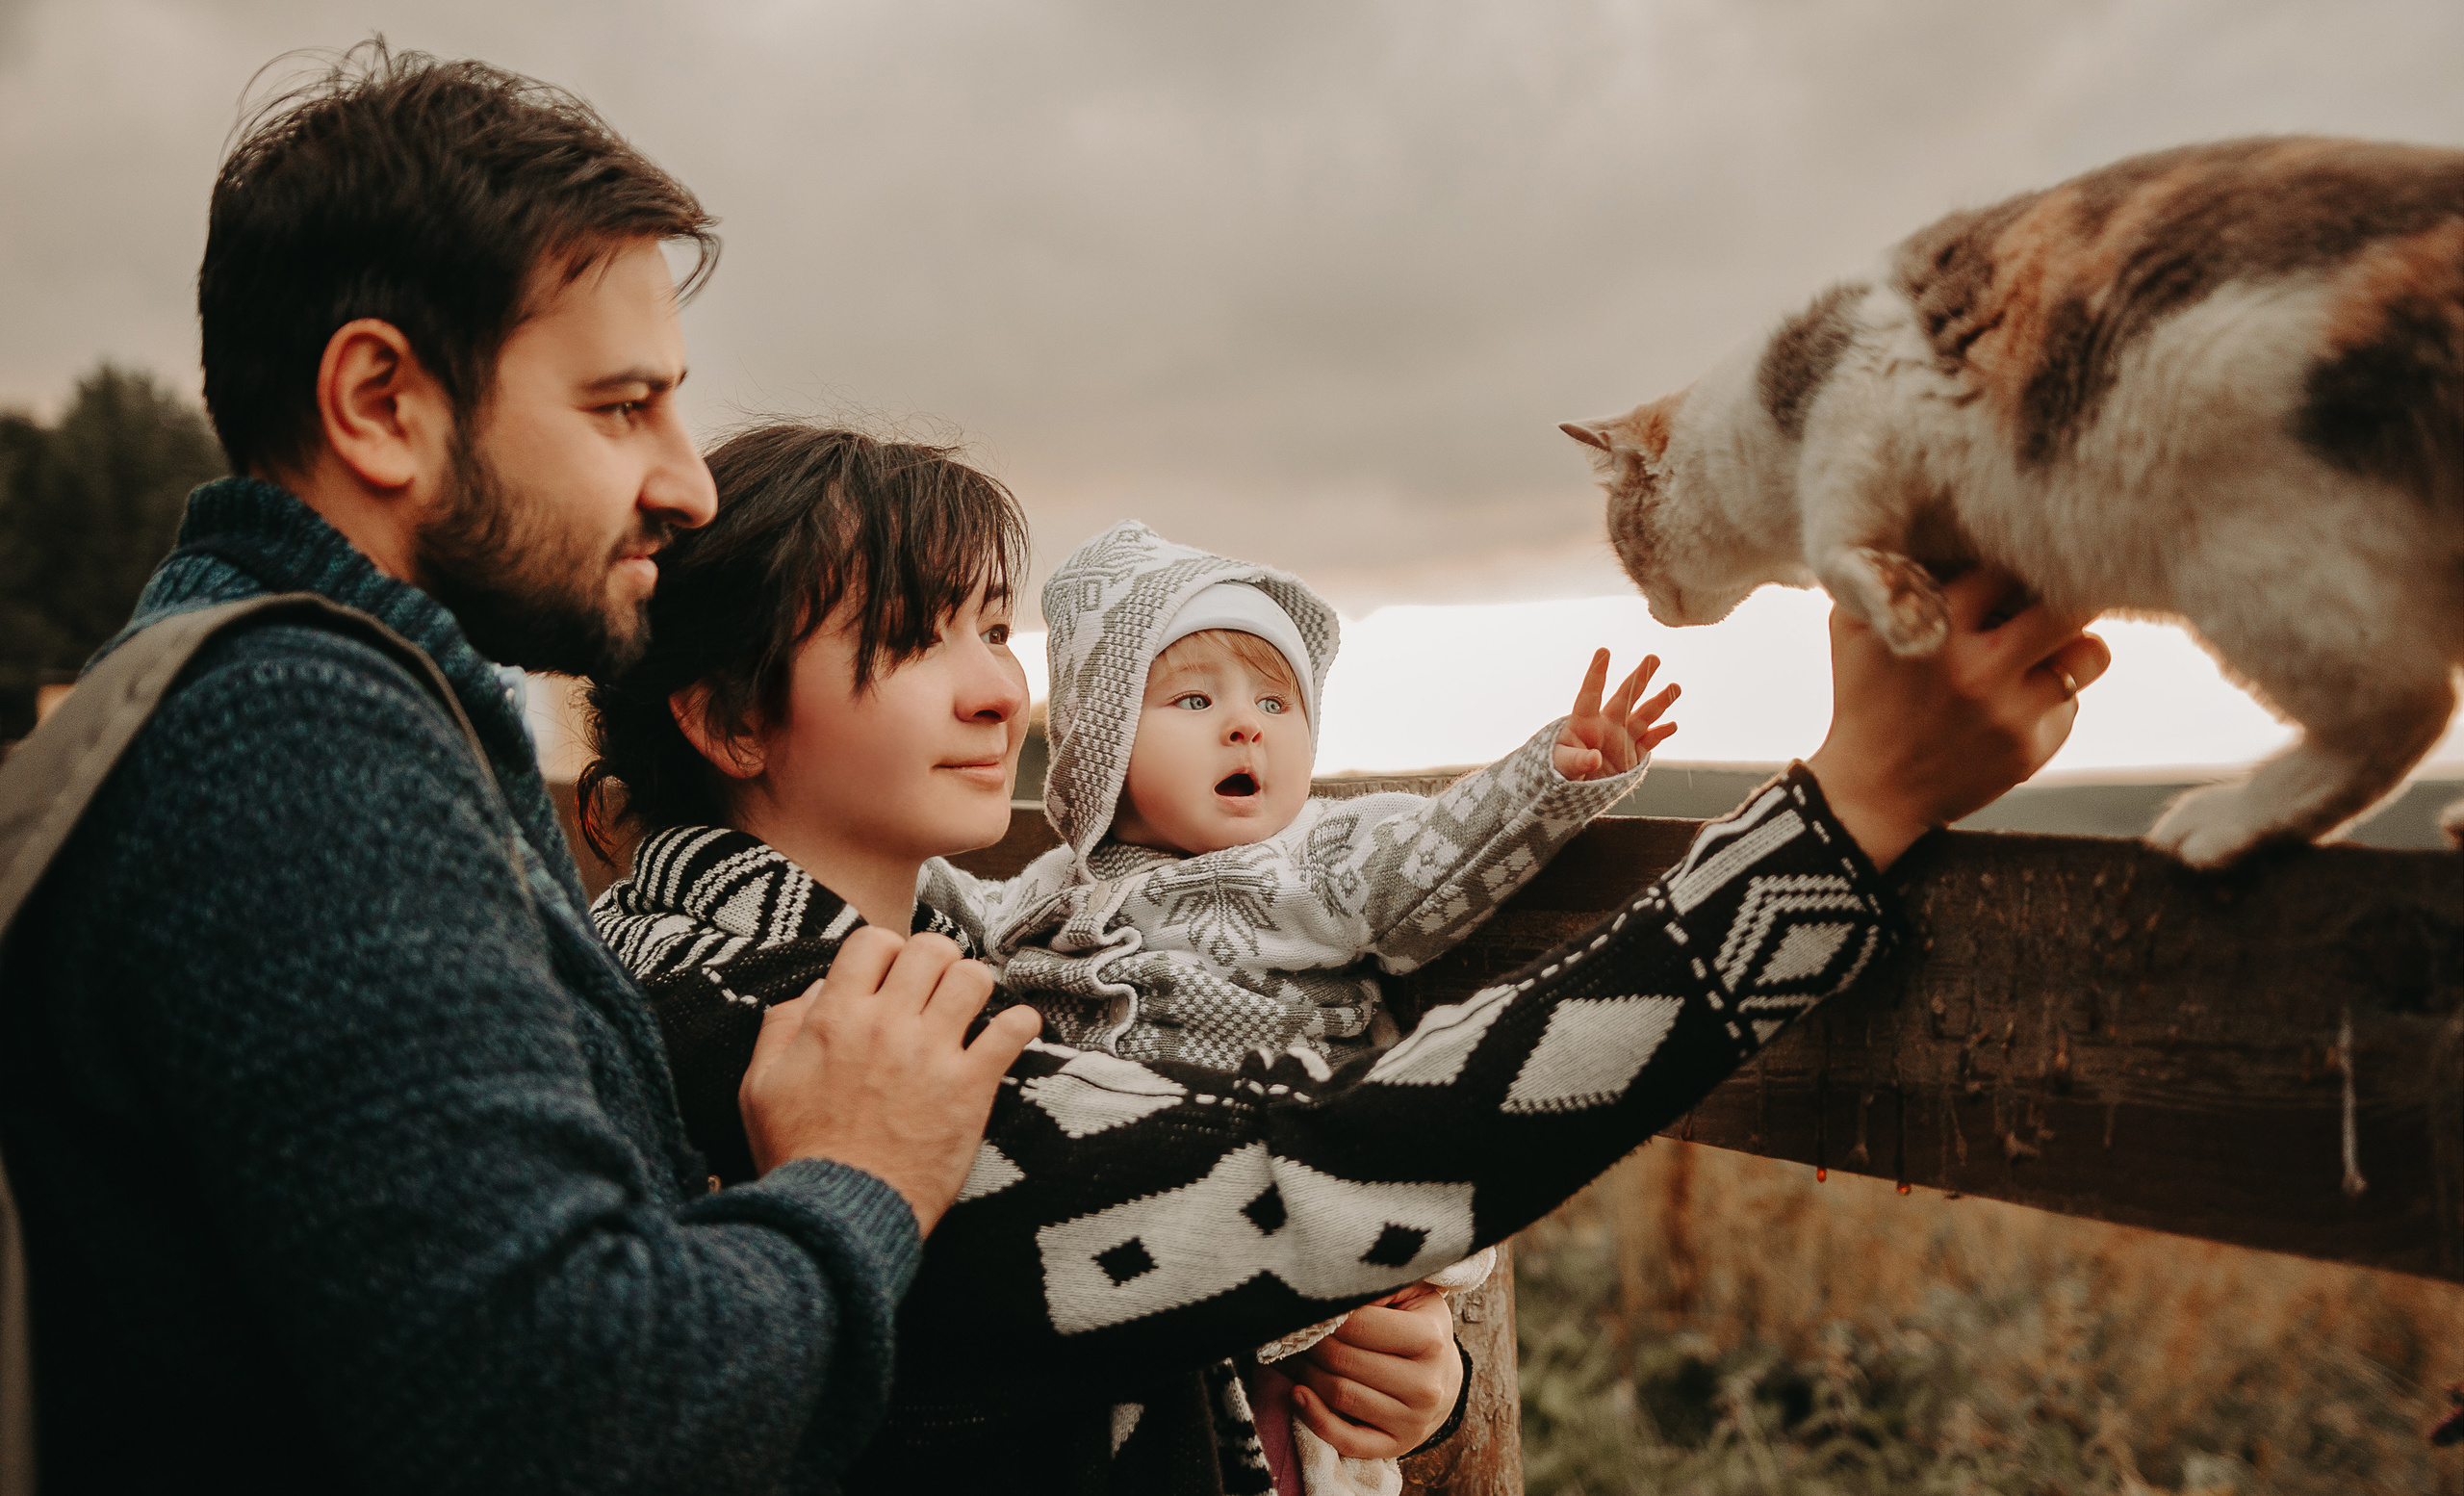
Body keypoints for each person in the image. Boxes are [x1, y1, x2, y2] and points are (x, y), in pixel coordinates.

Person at [581, 421, 2113, 1492]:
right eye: (923, 638)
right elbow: (1293, 1178)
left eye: (999, 630)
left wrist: (1400, 1373)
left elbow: (1166, 1236)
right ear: (724, 719)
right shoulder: (753, 1013)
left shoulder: (919, 948)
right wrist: (1852, 814)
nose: (997, 692)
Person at [0, 46, 1039, 1493]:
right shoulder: (294, 746)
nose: (689, 483)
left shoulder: (302, 706)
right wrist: (856, 1181)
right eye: (623, 408)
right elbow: (576, 1412)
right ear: (380, 402)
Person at [932, 519, 1682, 1495]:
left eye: (1276, 701)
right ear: (1099, 740)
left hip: (1298, 1207)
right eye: (1193, 699)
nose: (1246, 725)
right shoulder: (1055, 885)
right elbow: (974, 920)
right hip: (1132, 1246)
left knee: (1297, 1449)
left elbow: (1431, 858)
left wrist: (1545, 778)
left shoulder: (1315, 861)